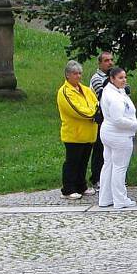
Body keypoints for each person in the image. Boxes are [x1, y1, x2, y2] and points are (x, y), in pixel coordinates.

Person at [57, 60, 99, 199]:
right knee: (72, 162)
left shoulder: (86, 90)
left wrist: (95, 112)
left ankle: (81, 185)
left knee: (83, 162)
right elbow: (75, 110)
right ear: (68, 75)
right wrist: (92, 114)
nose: (78, 76)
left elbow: (95, 103)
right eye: (75, 73)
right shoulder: (64, 92)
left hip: (88, 133)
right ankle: (68, 188)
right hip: (74, 134)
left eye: (80, 73)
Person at [98, 67, 137, 209]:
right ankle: (120, 199)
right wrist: (134, 125)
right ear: (112, 79)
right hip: (119, 134)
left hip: (108, 132)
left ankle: (105, 198)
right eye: (120, 78)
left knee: (108, 165)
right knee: (119, 167)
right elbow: (118, 119)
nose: (124, 80)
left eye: (125, 77)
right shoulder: (114, 96)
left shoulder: (112, 91)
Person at [89, 51, 114, 189]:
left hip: (112, 117)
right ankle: (96, 178)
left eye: (111, 60)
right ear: (100, 63)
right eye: (106, 60)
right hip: (101, 117)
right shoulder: (97, 78)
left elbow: (125, 89)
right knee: (99, 149)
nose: (110, 63)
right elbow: (104, 95)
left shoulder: (113, 76)